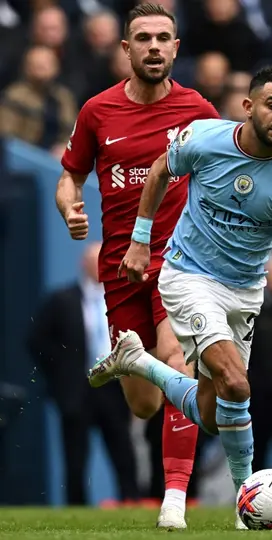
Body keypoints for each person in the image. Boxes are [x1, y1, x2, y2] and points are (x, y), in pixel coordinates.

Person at [88, 65, 272, 528]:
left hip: (244, 293)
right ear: (248, 107)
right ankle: (248, 504)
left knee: (211, 414)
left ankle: (138, 362)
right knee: (237, 384)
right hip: (188, 277)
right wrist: (141, 240)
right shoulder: (205, 138)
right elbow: (162, 168)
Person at [55, 3, 220, 529]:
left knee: (177, 357)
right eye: (143, 38)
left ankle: (174, 498)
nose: (153, 46)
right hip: (120, 269)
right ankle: (131, 361)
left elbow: (249, 154)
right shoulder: (97, 112)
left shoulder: (197, 109)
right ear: (125, 49)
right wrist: (68, 205)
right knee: (145, 403)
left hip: (182, 262)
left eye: (163, 37)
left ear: (176, 47)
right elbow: (69, 176)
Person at [28, 243, 140, 505]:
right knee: (75, 457)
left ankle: (132, 501)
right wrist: (59, 380)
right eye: (94, 260)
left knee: (123, 451)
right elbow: (36, 341)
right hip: (77, 391)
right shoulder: (62, 300)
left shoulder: (120, 298)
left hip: (114, 389)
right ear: (83, 264)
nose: (100, 265)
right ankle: (76, 508)